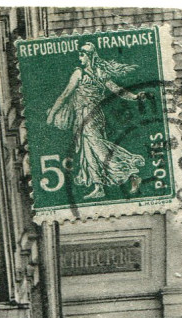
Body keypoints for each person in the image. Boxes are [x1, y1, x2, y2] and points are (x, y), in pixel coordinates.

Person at [46, 42, 146, 200]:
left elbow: (116, 89)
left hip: (91, 116)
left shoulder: (84, 74)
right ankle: (99, 186)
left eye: (83, 54)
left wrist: (52, 114)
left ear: (90, 56)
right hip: (85, 116)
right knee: (88, 151)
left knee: (99, 149)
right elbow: (66, 94)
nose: (80, 57)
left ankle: (131, 173)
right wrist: (53, 112)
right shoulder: (87, 73)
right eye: (80, 53)